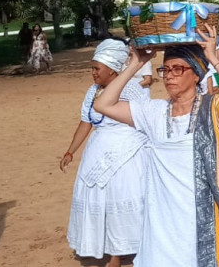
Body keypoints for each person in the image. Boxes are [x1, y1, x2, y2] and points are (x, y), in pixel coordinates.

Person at [94, 24, 219, 267]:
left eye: (177, 69)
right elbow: (103, 105)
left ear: (195, 75)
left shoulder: (213, 108)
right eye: (165, 69)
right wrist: (136, 65)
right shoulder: (154, 111)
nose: (169, 75)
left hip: (204, 210)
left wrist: (214, 58)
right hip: (163, 214)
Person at [62, 40, 148, 267]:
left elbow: (143, 121)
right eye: (92, 68)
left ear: (111, 69)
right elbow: (86, 122)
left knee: (121, 200)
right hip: (97, 152)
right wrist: (71, 151)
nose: (92, 73)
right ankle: (109, 249)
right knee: (101, 202)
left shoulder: (132, 89)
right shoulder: (92, 92)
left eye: (96, 68)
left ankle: (120, 254)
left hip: (126, 157)